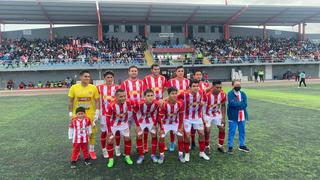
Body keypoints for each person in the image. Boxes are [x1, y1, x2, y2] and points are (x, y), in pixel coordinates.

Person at [68, 70, 100, 160]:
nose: (87, 78)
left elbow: (97, 101)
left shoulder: (93, 88)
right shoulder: (74, 88)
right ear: (80, 77)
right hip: (77, 115)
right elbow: (70, 101)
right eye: (85, 76)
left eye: (88, 77)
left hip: (90, 114)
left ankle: (91, 151)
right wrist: (70, 113)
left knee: (92, 133)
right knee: (77, 134)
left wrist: (97, 113)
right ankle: (77, 152)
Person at [177, 80, 210, 161]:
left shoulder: (202, 92)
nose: (196, 88)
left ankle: (202, 152)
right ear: (190, 87)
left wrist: (203, 102)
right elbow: (174, 97)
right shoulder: (184, 94)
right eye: (194, 86)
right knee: (187, 136)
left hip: (197, 117)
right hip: (186, 118)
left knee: (202, 134)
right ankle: (187, 153)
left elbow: (205, 99)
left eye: (197, 86)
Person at [105, 89, 134, 168]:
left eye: (124, 96)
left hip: (124, 124)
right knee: (110, 140)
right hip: (113, 125)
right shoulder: (111, 105)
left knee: (128, 138)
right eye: (121, 96)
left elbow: (139, 102)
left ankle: (127, 156)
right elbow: (107, 119)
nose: (123, 98)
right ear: (116, 97)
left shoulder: (128, 102)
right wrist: (109, 131)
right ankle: (111, 159)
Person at [158, 87, 185, 164]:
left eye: (175, 93)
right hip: (165, 123)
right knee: (161, 137)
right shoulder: (164, 104)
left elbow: (181, 116)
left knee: (180, 135)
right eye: (172, 94)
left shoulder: (180, 103)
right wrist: (161, 128)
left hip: (175, 123)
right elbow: (160, 118)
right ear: (168, 95)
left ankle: (180, 154)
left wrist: (180, 127)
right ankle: (161, 155)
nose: (174, 95)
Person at [165, 66, 190, 151]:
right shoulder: (170, 81)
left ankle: (183, 141)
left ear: (184, 72)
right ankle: (172, 142)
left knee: (183, 123)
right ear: (176, 72)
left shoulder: (187, 81)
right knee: (173, 123)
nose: (180, 72)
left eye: (182, 71)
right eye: (178, 71)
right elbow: (169, 93)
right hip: (173, 105)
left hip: (185, 105)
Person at [143, 64, 166, 152]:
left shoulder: (163, 78)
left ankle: (162, 143)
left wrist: (162, 100)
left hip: (160, 104)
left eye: (158, 69)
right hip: (150, 104)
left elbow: (164, 90)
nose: (156, 71)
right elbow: (145, 92)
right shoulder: (146, 78)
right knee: (146, 125)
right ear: (151, 70)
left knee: (160, 124)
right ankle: (145, 145)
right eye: (155, 69)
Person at [133, 89, 160, 164]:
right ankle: (141, 156)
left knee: (154, 135)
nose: (150, 97)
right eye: (148, 96)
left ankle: (153, 155)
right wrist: (137, 125)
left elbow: (158, 114)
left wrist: (155, 124)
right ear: (144, 97)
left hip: (151, 120)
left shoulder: (156, 103)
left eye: (152, 95)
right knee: (139, 136)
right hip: (141, 121)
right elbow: (134, 114)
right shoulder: (139, 104)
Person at [96, 71, 119, 158]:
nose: (109, 79)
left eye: (111, 77)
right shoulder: (99, 88)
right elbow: (97, 100)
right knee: (104, 132)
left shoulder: (117, 87)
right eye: (107, 77)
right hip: (104, 114)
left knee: (116, 131)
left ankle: (117, 147)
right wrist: (97, 112)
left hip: (115, 114)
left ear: (113, 78)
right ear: (104, 78)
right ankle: (104, 149)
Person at [202, 80, 227, 155]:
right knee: (207, 130)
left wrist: (223, 118)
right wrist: (202, 118)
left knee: (222, 128)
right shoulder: (206, 95)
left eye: (220, 87)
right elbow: (200, 107)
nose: (219, 89)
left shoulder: (223, 94)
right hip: (207, 114)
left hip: (216, 113)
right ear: (213, 87)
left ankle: (220, 146)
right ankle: (207, 147)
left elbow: (223, 105)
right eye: (217, 87)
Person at [227, 80, 250, 154]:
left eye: (239, 85)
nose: (238, 86)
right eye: (236, 85)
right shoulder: (230, 94)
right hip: (233, 116)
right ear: (233, 85)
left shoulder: (243, 94)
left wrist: (238, 104)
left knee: (242, 131)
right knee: (232, 132)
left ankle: (242, 145)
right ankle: (230, 147)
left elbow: (245, 104)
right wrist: (240, 104)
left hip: (242, 116)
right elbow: (231, 104)